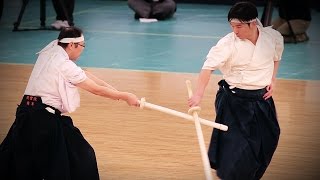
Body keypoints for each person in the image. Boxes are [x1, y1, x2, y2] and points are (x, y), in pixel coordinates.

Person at [0, 26, 139, 180]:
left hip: (26, 114)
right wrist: (125, 96)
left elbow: (84, 74)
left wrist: (116, 92)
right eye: (82, 45)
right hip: (44, 121)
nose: (83, 49)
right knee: (77, 158)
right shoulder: (65, 66)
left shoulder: (50, 51)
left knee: (19, 162)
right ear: (72, 45)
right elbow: (96, 90)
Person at [187, 2, 283, 180]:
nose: (235, 31)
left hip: (262, 99)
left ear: (253, 23)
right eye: (232, 26)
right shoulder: (227, 44)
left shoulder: (273, 37)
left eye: (239, 26)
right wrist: (198, 94)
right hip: (235, 102)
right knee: (237, 149)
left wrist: (272, 79)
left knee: (268, 140)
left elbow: (276, 56)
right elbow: (207, 68)